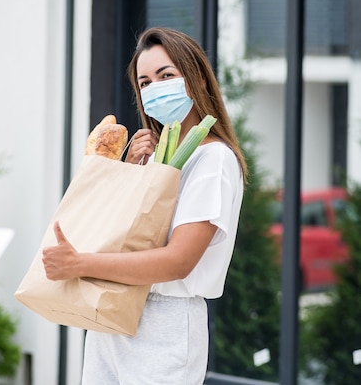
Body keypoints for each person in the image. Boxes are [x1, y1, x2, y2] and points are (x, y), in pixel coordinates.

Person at [42, 27, 248, 384]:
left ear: (196, 77)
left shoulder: (213, 160)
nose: (155, 88)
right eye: (146, 82)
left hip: (164, 325)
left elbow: (178, 261)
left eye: (166, 76)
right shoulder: (156, 160)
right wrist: (131, 170)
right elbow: (128, 236)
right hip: (113, 314)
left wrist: (79, 264)